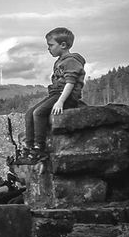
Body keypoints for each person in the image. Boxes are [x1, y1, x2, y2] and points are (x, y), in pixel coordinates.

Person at [18, 27, 87, 164]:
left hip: (66, 96)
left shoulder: (71, 61)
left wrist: (60, 102)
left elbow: (70, 83)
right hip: (55, 93)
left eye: (51, 45)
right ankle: (29, 148)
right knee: (29, 113)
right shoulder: (60, 61)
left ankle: (39, 149)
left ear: (63, 45)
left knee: (39, 113)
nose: (48, 49)